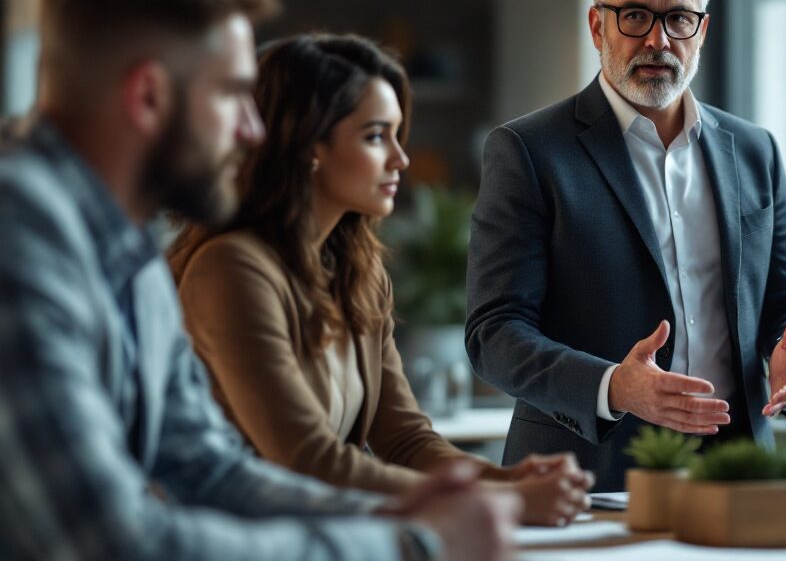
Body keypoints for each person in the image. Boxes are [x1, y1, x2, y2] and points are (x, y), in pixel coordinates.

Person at [0, 0, 517, 561]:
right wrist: (409, 548)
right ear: (149, 95)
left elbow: (210, 468)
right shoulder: (21, 236)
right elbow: (116, 553)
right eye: (232, 95)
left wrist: (407, 516)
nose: (252, 130)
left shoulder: (126, 250)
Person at [169, 33, 593, 527]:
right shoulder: (232, 269)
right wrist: (504, 502)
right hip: (232, 557)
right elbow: (308, 461)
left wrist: (512, 480)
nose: (401, 158)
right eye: (375, 136)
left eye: (397, 133)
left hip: (322, 546)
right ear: (308, 146)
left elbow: (406, 440)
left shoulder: (359, 274)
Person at [466, 0, 786, 491]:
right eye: (635, 16)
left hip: (735, 471)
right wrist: (615, 385)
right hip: (585, 474)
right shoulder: (529, 150)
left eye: (679, 19)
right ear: (597, 25)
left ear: (702, 30)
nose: (658, 41)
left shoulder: (754, 150)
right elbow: (494, 333)